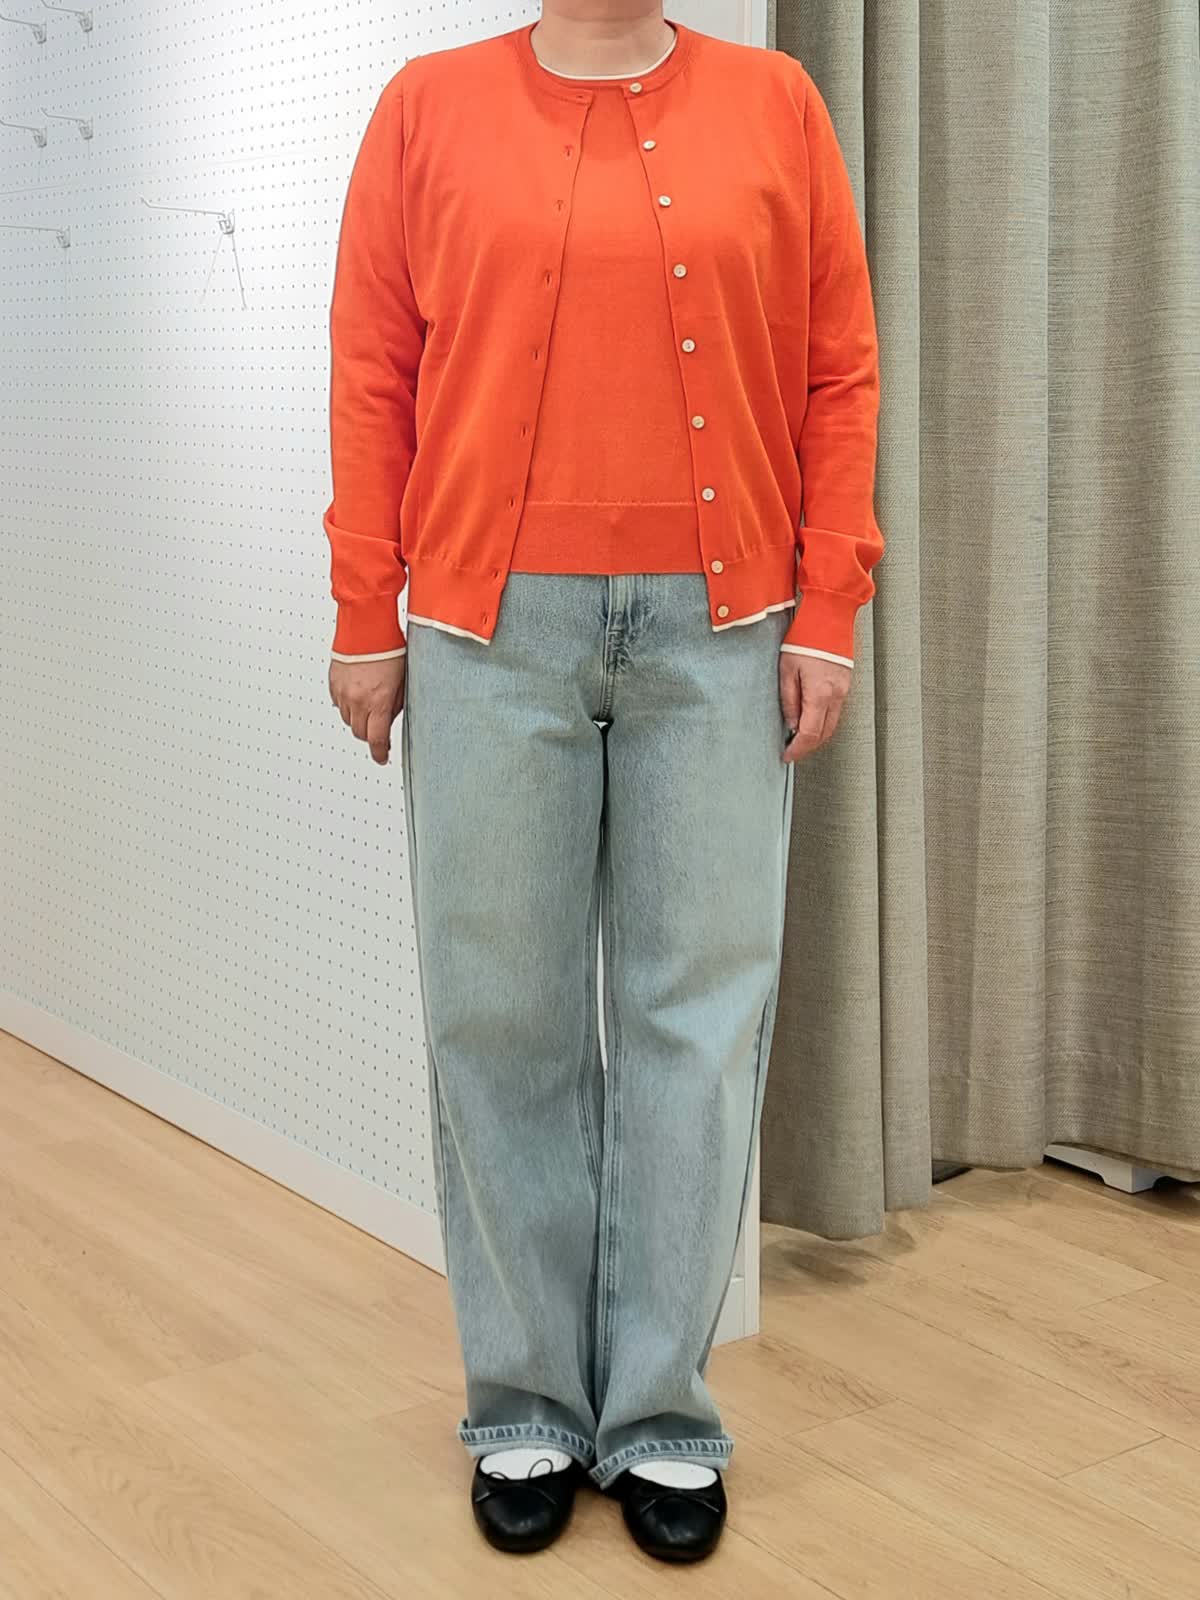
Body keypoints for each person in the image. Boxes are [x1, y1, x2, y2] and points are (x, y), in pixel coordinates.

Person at [323, 1, 883, 1565]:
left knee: (693, 1023)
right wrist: (365, 612)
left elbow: (838, 368)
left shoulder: (775, 103)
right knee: (497, 1014)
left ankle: (661, 1416)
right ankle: (523, 1400)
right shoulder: (427, 107)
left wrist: (827, 609)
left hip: (725, 630)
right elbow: (373, 368)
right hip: (483, 635)